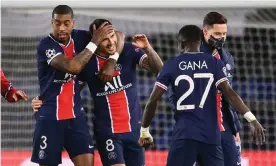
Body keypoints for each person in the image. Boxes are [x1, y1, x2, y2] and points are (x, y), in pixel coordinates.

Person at [32, 18, 163, 166]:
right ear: (95, 40)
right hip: (107, 132)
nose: (110, 42)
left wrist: (148, 48)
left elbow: (159, 70)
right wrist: (43, 101)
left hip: (134, 131)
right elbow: (71, 90)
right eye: (104, 39)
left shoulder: (128, 51)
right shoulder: (87, 63)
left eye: (112, 36)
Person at [139, 25, 265, 166]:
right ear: (200, 42)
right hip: (210, 137)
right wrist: (252, 119)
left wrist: (145, 131)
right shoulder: (214, 63)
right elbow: (230, 94)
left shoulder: (171, 65)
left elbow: (152, 101)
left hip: (184, 135)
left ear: (180, 44)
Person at [31, 5, 122, 166]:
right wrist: (94, 41)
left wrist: (112, 61)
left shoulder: (80, 38)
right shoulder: (46, 46)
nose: (61, 28)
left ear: (73, 23)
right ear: (52, 23)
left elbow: (119, 36)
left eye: (66, 23)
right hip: (50, 117)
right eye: (57, 23)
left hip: (76, 118)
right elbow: (73, 67)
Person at [201, 11, 243, 166]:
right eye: (217, 33)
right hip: (200, 127)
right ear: (205, 32)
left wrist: (235, 126)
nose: (221, 37)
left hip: (224, 126)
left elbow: (228, 95)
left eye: (224, 33)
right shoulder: (192, 57)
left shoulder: (227, 58)